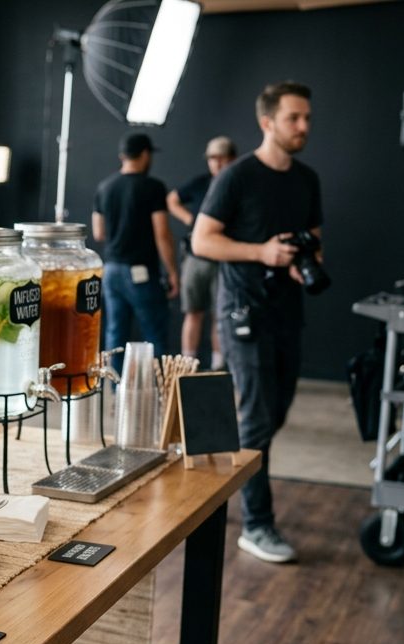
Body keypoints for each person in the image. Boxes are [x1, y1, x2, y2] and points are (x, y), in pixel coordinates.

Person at [191, 81, 322, 564]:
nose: (304, 126)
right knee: (259, 419)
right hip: (243, 312)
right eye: (294, 118)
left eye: (307, 117)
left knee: (274, 412)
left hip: (288, 311)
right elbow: (202, 241)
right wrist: (261, 252)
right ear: (267, 122)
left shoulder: (307, 179)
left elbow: (315, 239)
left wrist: (298, 259)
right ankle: (257, 524)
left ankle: (210, 478)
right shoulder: (237, 177)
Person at [92, 132, 180, 373]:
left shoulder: (105, 187)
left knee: (115, 333)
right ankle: (162, 391)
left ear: (123, 156)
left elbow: (98, 232)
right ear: (145, 154)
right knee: (155, 333)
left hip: (110, 270)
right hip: (140, 272)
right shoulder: (152, 187)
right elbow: (162, 233)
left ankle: (116, 392)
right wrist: (173, 272)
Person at [168, 136, 237, 370]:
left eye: (222, 159)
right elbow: (172, 199)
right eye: (213, 159)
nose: (217, 164)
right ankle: (187, 363)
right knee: (193, 311)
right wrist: (191, 220)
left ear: (232, 159)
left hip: (224, 258)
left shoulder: (236, 185)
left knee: (220, 315)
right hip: (197, 258)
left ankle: (218, 366)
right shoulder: (200, 183)